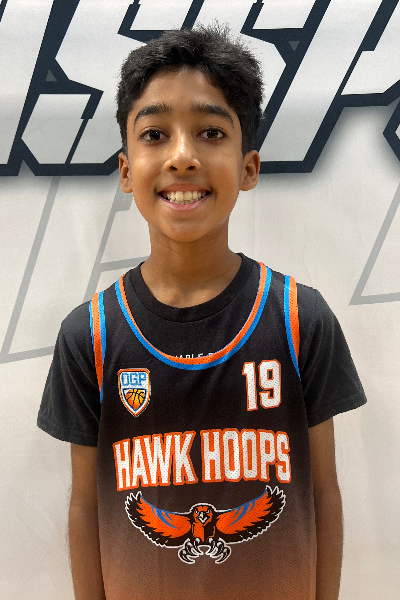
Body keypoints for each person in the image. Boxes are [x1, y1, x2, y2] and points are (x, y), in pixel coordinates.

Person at [37, 25, 366, 600]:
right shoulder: (89, 335)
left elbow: (324, 494)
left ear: (248, 167)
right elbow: (85, 506)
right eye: (155, 134)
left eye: (211, 132)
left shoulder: (300, 319)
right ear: (126, 170)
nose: (183, 157)